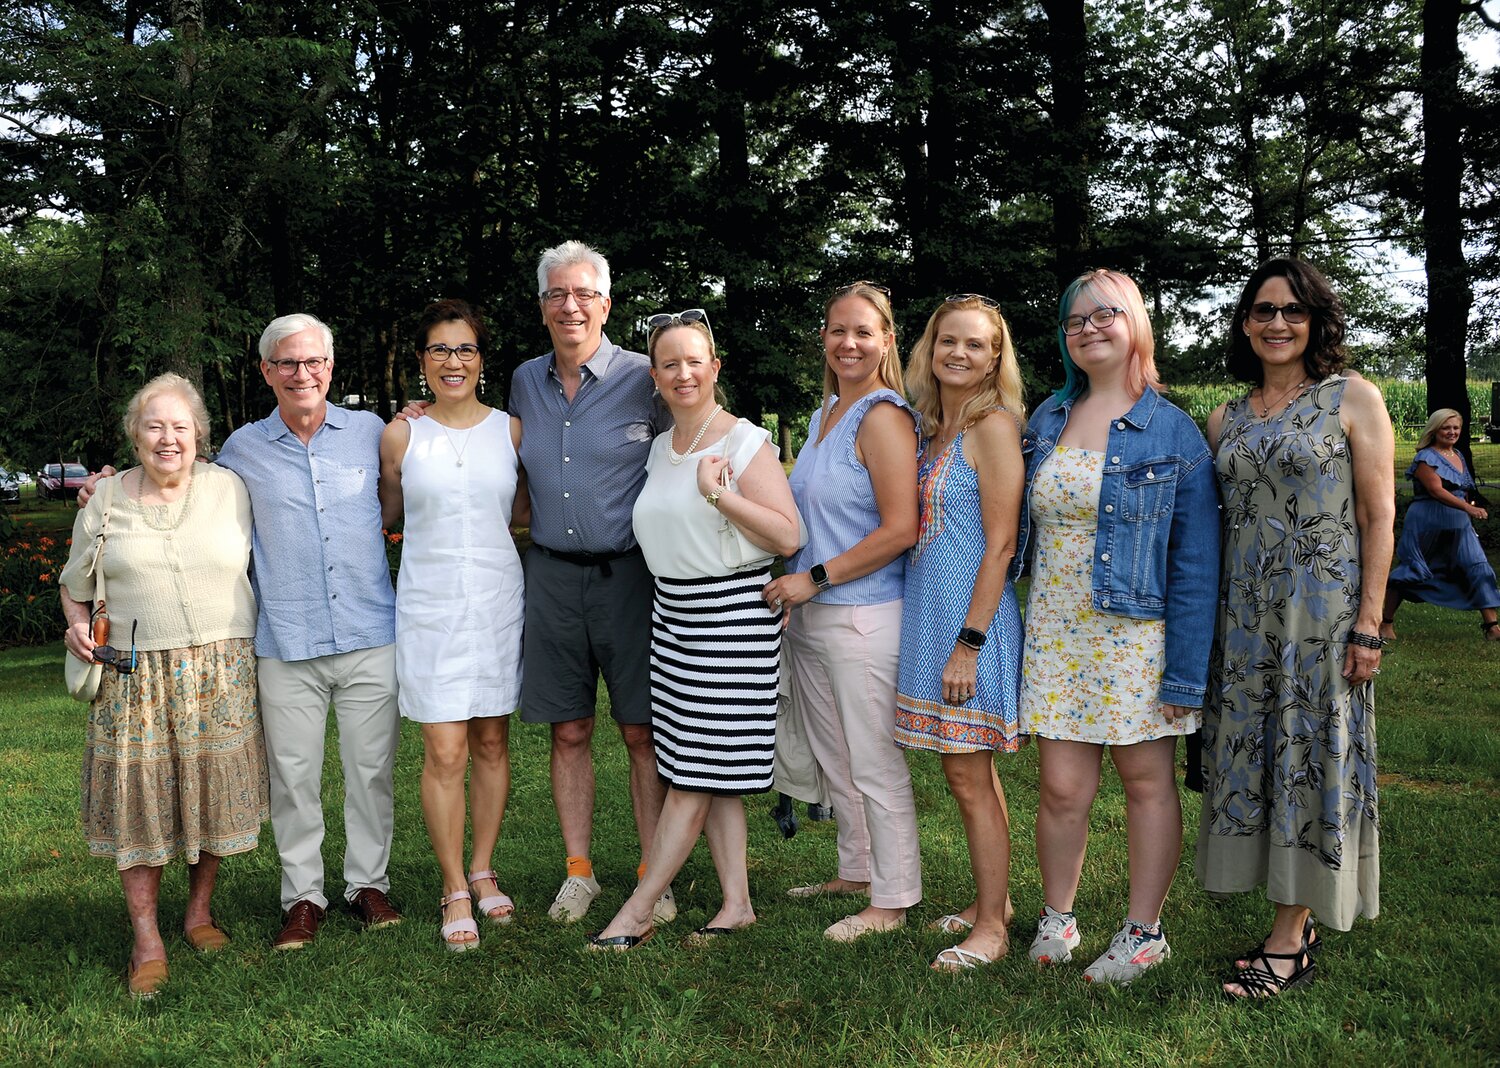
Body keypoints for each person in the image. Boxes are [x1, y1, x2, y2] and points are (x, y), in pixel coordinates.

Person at [85, 315, 404, 950]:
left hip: (371, 630)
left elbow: (396, 501)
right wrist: (104, 489)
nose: (301, 373)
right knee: (293, 777)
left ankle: (369, 884)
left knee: (371, 771)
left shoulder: (374, 433)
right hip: (285, 639)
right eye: (286, 363)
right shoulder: (239, 453)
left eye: (313, 361)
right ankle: (304, 898)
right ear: (266, 371)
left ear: (331, 367)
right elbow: (171, 486)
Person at [1197, 258, 1395, 999]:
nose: (1277, 324)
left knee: (1311, 758)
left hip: (1323, 619)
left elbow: (1380, 516)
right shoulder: (1227, 417)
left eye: (1292, 311)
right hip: (1244, 623)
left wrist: (1369, 623)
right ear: (1244, 323)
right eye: (1262, 311)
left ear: (1315, 322)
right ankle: (1294, 916)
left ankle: (1289, 941)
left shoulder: (1352, 398)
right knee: (1259, 758)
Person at [1019, 269, 1220, 985]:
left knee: (1146, 785)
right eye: (1074, 322)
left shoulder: (1173, 429)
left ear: (1135, 323)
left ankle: (1143, 933)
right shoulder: (1045, 419)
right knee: (1062, 790)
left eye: (1105, 315)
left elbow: (1197, 566)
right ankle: (1058, 917)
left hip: (1137, 638)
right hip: (1056, 632)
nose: (1088, 330)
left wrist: (1185, 675)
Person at [588, 310, 802, 950]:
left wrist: (720, 496)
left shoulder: (743, 443)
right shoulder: (660, 448)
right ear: (655, 377)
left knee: (693, 779)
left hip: (731, 620)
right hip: (674, 621)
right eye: (669, 363)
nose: (683, 373)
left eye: (693, 361)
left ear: (715, 367)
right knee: (710, 768)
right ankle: (736, 903)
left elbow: (787, 534)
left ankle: (638, 909)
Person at [59, 373, 268, 996]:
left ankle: (199, 912)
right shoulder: (105, 500)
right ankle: (146, 936)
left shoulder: (231, 488)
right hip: (134, 675)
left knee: (208, 793)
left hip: (220, 670)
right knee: (142, 802)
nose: (168, 438)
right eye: (155, 426)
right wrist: (75, 626)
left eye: (180, 427)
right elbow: (73, 583)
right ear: (135, 435)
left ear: (200, 435)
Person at [511, 242, 674, 923]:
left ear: (606, 304)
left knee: (641, 732)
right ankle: (580, 871)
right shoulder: (524, 380)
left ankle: (651, 874)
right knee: (569, 730)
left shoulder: (648, 378)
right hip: (550, 575)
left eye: (583, 294)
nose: (569, 305)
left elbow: (693, 447)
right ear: (543, 305)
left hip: (630, 576)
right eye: (556, 294)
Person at [762, 281, 922, 943]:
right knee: (835, 757)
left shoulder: (883, 415)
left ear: (887, 340)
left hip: (863, 614)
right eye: (837, 330)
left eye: (863, 331)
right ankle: (856, 870)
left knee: (873, 761)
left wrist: (816, 578)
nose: (848, 342)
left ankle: (893, 897)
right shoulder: (827, 410)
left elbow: (900, 526)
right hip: (814, 615)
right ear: (823, 340)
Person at [379, 300, 527, 950]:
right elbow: (388, 507)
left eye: (464, 349)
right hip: (431, 605)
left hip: (497, 599)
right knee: (444, 750)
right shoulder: (401, 436)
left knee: (492, 742)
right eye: (439, 350)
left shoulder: (512, 431)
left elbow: (522, 511)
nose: (452, 361)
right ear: (422, 362)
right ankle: (452, 886)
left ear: (481, 359)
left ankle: (483, 868)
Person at [894, 295, 1027, 971]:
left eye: (976, 345)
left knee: (968, 778)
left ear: (994, 357)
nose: (959, 353)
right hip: (931, 610)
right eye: (948, 340)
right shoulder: (932, 427)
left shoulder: (994, 428)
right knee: (971, 777)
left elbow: (1001, 547)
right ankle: (991, 905)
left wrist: (968, 644)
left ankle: (993, 934)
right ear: (929, 346)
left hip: (969, 625)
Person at [1380, 408, 1499, 641]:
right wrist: (1468, 508)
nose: (1452, 432)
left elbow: (1460, 489)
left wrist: (1466, 507)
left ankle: (1492, 627)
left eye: (1456, 428)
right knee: (1413, 570)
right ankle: (1386, 624)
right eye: (1446, 427)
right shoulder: (1426, 457)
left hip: (1457, 523)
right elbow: (1436, 490)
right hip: (1427, 521)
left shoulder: (1458, 455)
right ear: (1435, 430)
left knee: (1477, 566)